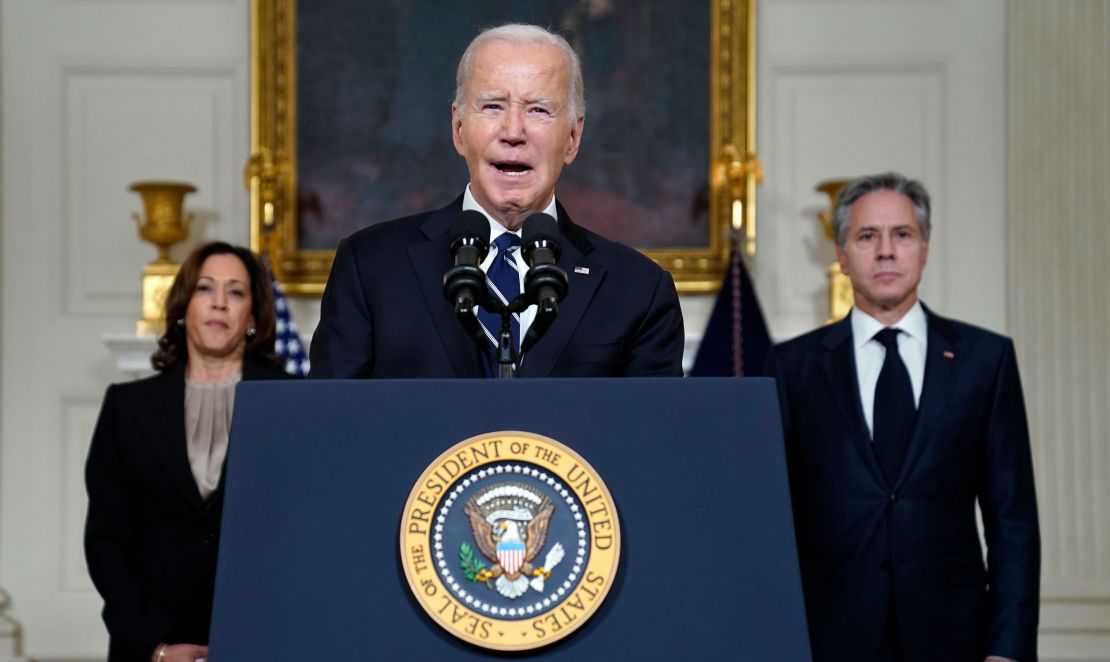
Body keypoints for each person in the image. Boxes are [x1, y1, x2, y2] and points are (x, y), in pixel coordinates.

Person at [765, 173, 1040, 661]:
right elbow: (770, 519)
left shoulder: (985, 361)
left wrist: (1008, 649)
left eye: (903, 235)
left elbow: (1012, 522)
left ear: (925, 249)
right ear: (841, 255)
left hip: (955, 640)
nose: (886, 251)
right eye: (868, 236)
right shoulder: (792, 368)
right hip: (828, 640)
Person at [309, 24, 684, 378]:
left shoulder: (638, 289)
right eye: (492, 106)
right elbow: (330, 425)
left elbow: (651, 437)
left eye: (538, 109)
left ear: (572, 138)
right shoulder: (371, 267)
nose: (513, 132)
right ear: (459, 129)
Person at [84, 242, 295, 661]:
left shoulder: (291, 403)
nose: (219, 303)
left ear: (253, 317)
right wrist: (155, 647)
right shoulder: (127, 408)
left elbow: (306, 535)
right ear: (183, 306)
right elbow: (106, 542)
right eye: (205, 288)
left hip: (263, 640)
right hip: (151, 646)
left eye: (235, 292)